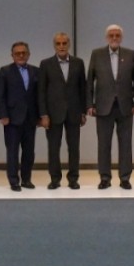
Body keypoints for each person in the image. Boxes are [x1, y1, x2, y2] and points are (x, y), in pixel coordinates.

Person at [86, 24, 134, 189]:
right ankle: (105, 178)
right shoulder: (97, 54)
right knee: (104, 144)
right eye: (111, 35)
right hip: (103, 107)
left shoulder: (130, 54)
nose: (114, 38)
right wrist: (89, 104)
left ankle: (125, 178)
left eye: (117, 35)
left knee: (126, 144)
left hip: (125, 107)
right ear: (106, 38)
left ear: (121, 38)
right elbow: (90, 81)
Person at [38, 32, 87, 190]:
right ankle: (55, 179)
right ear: (54, 46)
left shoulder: (78, 63)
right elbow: (41, 91)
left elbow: (83, 88)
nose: (61, 46)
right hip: (53, 114)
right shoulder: (46, 64)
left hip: (74, 112)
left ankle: (73, 179)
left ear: (69, 44)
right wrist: (43, 114)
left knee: (74, 148)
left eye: (64, 43)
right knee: (53, 148)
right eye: (58, 43)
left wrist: (83, 112)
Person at [0, 41, 40, 191]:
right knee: (12, 151)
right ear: (12, 55)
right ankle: (14, 180)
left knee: (29, 151)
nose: (21, 55)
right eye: (17, 53)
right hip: (12, 118)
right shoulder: (5, 71)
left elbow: (39, 95)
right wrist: (3, 115)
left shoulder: (36, 71)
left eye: (23, 53)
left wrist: (40, 116)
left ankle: (26, 179)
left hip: (30, 118)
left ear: (28, 54)